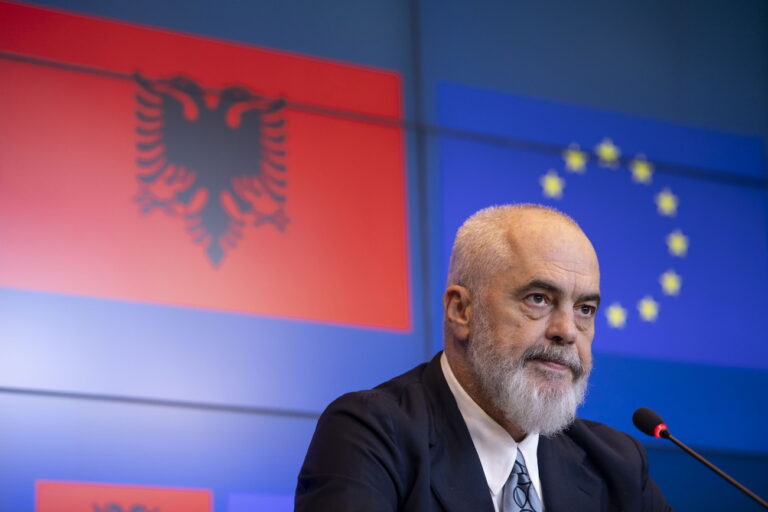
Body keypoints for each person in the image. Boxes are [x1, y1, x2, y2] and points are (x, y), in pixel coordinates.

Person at [295, 204, 672, 511]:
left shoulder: (617, 463)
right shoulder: (371, 434)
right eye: (538, 299)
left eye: (585, 309)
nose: (568, 331)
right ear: (462, 310)